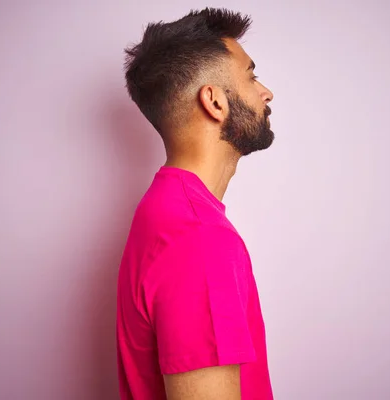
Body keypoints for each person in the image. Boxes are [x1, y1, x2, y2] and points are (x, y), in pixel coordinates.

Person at [116, 7, 275, 400]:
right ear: (215, 103)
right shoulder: (198, 238)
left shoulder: (165, 210)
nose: (266, 91)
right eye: (251, 76)